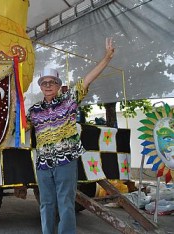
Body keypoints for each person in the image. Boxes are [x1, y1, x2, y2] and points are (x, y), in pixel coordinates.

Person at [27, 38, 115, 234]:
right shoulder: (34, 110)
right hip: (43, 164)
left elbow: (87, 79)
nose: (48, 85)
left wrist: (106, 58)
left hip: (65, 162)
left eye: (52, 82)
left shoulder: (69, 101)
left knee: (65, 203)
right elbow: (18, 125)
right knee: (46, 204)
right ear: (41, 87)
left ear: (59, 85)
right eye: (44, 83)